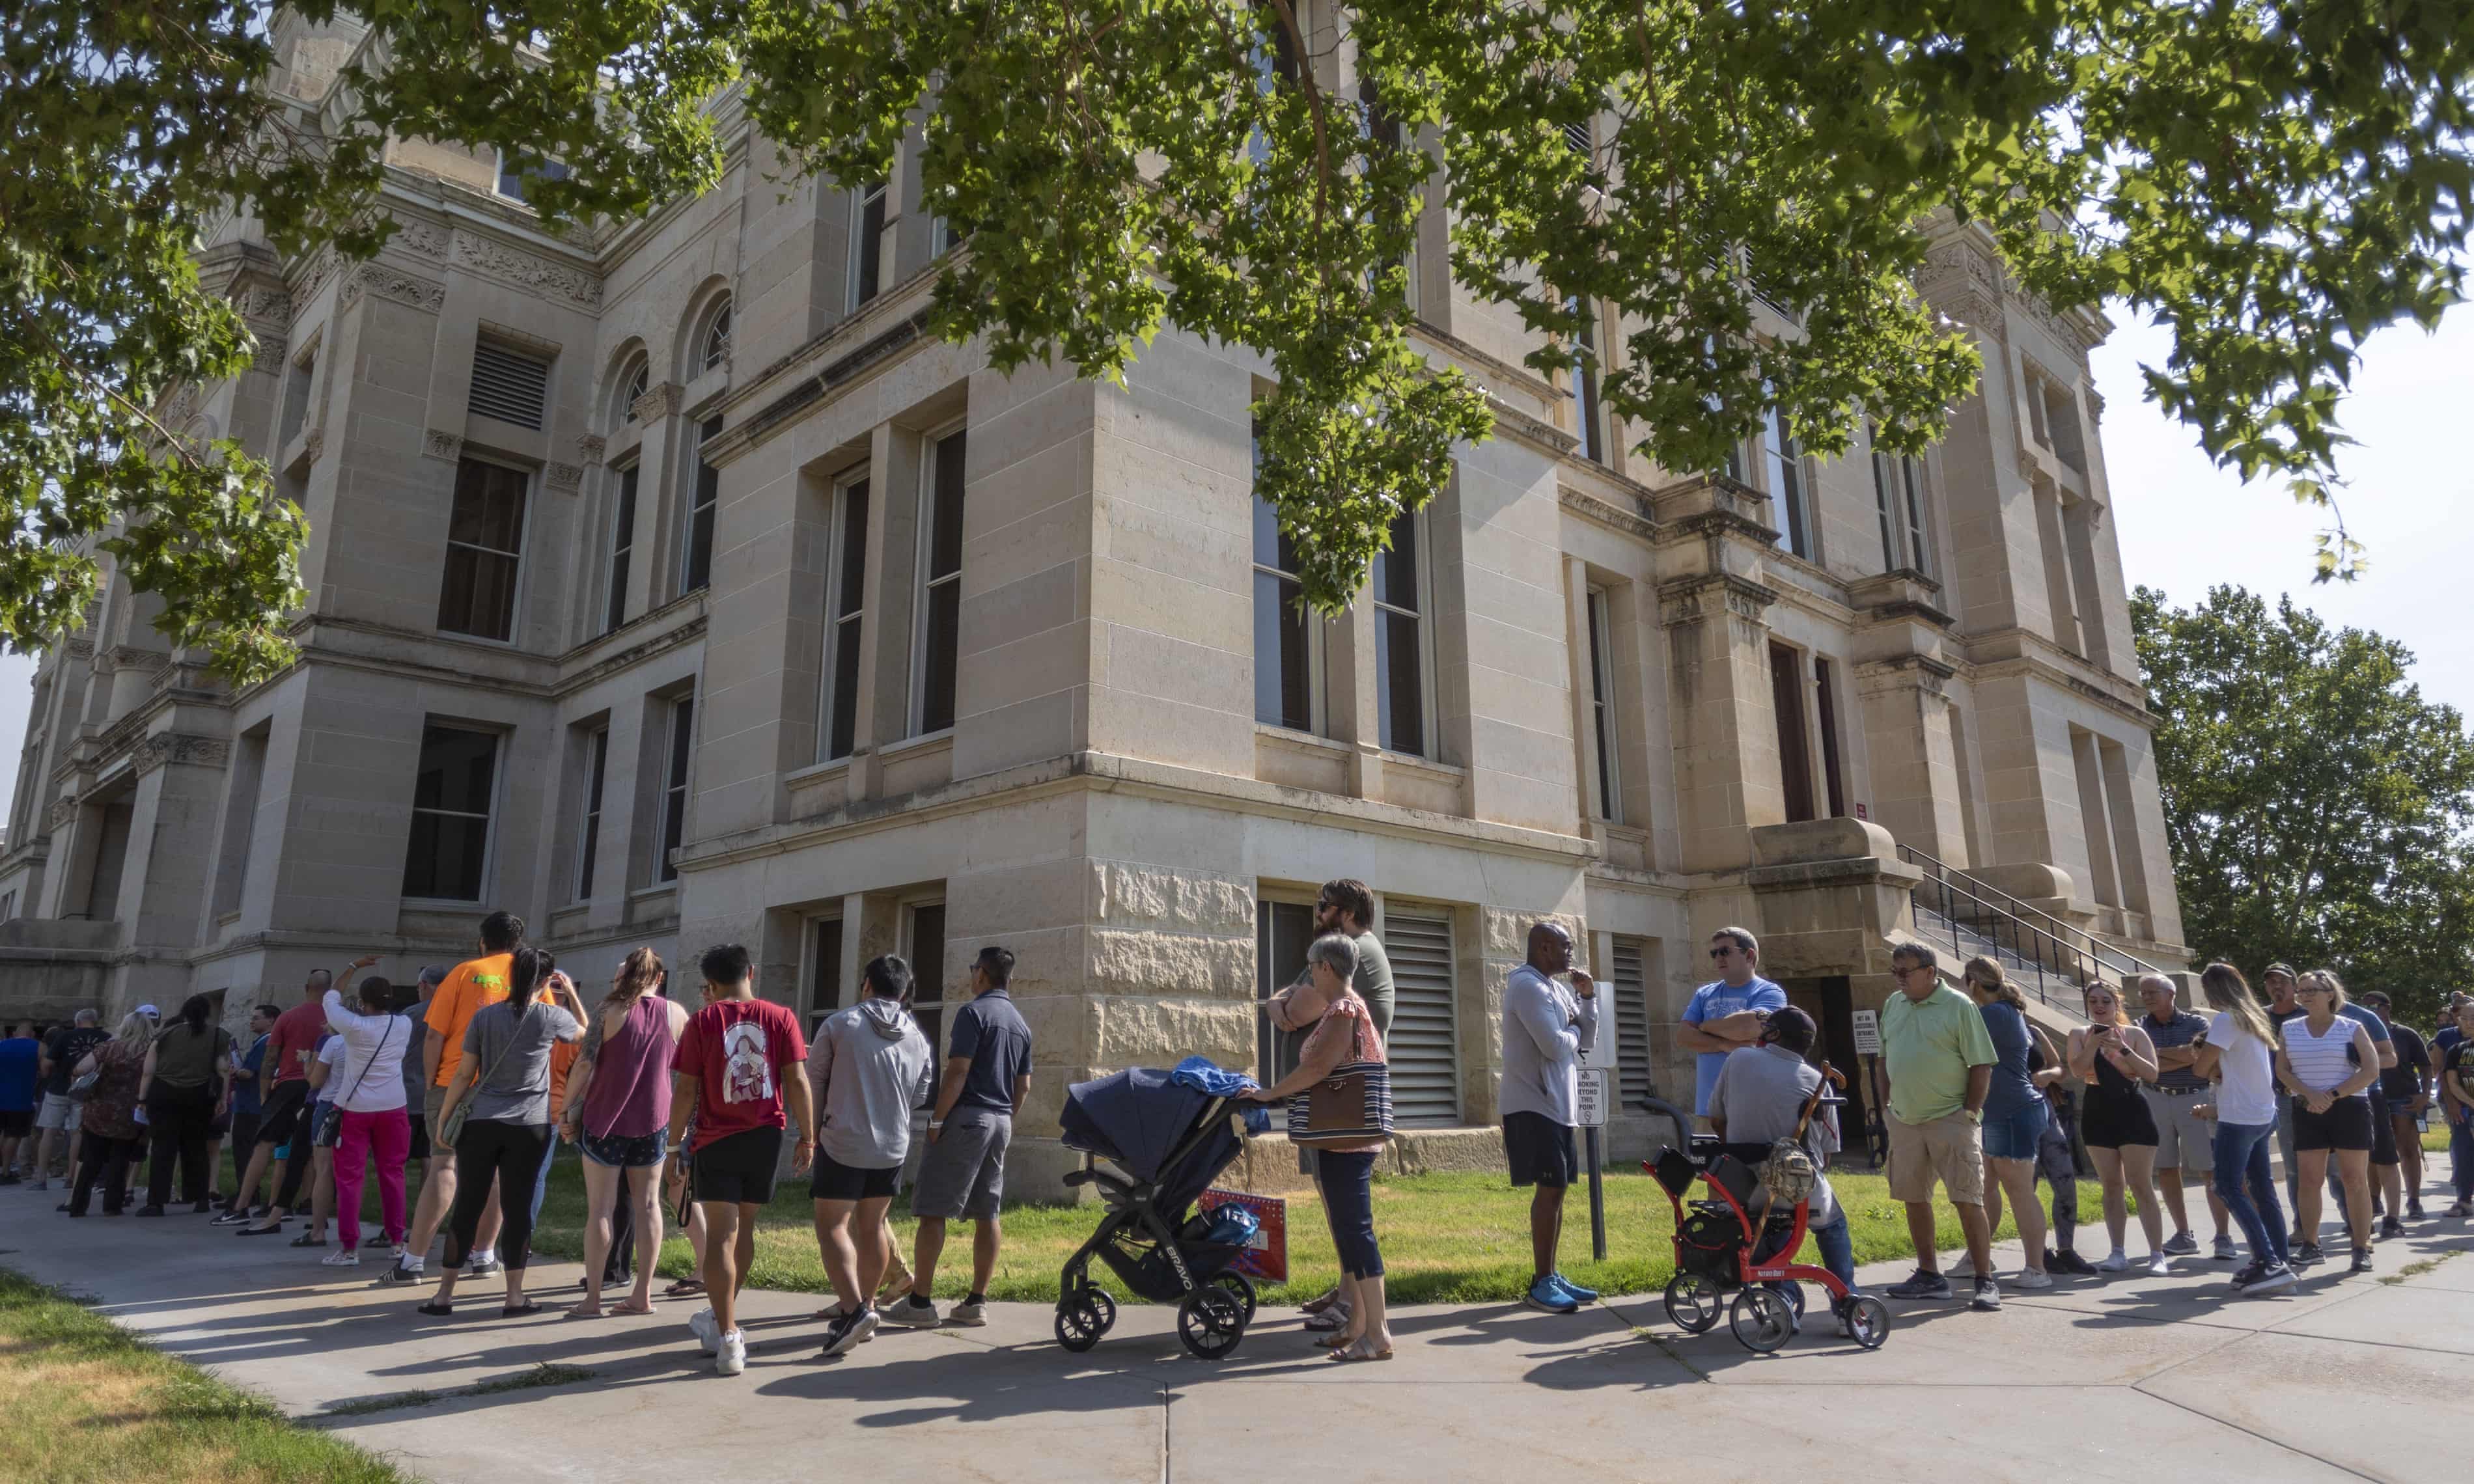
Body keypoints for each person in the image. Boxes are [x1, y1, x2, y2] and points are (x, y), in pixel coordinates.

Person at [1242, 932, 1395, 1361]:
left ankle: (1378, 1335)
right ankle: (1358, 1326)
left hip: (1349, 1141)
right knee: (1350, 1231)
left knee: (1357, 1231)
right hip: (1340, 1138)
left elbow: (1317, 1069)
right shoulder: (1340, 1009)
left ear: (1327, 967)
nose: (1309, 973)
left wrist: (1269, 1095)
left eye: (1312, 966)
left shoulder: (1344, 1008)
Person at [669, 943, 813, 1375]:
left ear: (710, 986)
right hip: (765, 1136)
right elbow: (798, 1080)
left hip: (716, 1139)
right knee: (744, 1229)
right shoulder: (781, 1017)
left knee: (720, 1237)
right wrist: (808, 1138)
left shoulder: (702, 1021)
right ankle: (721, 1317)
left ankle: (728, 1335)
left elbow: (686, 1090)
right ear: (751, 971)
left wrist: (673, 1143)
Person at [419, 948, 586, 1317]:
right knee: (517, 1206)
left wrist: (446, 1120)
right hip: (529, 1124)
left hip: (480, 1122)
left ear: (510, 976)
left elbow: (464, 1074)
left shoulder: (485, 1016)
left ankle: (444, 1295)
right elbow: (587, 1039)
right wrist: (570, 994)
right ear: (547, 981)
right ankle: (514, 1296)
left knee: (467, 1204)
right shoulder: (552, 1016)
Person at [888, 945, 1035, 1330]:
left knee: (933, 1209)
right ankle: (976, 1302)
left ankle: (920, 1302)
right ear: (1011, 979)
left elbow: (958, 1071)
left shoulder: (973, 1013)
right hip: (1001, 1119)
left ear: (981, 975)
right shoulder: (1020, 1023)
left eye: (973, 970)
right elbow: (1025, 1086)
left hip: (968, 1117)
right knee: (988, 1212)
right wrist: (1006, 1117)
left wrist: (937, 1121)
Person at [381, 913, 523, 1287]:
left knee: (444, 1166)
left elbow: (434, 1035)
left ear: (483, 941)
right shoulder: (529, 978)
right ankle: (484, 1256)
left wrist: (431, 1082)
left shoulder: (463, 973)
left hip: (452, 1083)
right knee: (494, 1173)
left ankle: (412, 1263)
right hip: (505, 1089)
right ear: (518, 942)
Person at [807, 953, 934, 1356]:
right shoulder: (917, 1036)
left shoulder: (841, 1024)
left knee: (832, 1227)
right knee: (873, 1226)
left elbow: (814, 1082)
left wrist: (810, 1135)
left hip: (842, 1140)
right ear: (904, 992)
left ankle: (854, 1309)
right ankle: (869, 1307)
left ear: (866, 984)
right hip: (893, 1145)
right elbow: (920, 1093)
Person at [1706, 1005, 1861, 1333]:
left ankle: (1784, 1297)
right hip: (1797, 1185)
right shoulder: (1817, 1080)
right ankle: (1846, 1300)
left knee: (1755, 1228)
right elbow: (1828, 1156)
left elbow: (1717, 1119)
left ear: (1773, 1034)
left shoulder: (1739, 1059)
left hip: (1743, 1186)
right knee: (1832, 1225)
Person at [561, 947, 688, 1318]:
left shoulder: (606, 1011)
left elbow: (585, 1064)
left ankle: (593, 1299)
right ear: (659, 978)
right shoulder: (677, 1013)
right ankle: (643, 1294)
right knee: (649, 1205)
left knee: (600, 1209)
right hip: (655, 1121)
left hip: (605, 1121)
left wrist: (566, 1109)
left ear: (625, 974)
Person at [1879, 942, 2001, 1310]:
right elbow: (1884, 1058)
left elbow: (1981, 1064)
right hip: (1904, 1120)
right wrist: (1887, 1107)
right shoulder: (1893, 1004)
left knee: (1967, 1198)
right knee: (1914, 1198)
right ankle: (1929, 1275)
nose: (1900, 978)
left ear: (1930, 972)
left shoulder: (1960, 1006)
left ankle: (1984, 1280)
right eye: (1895, 971)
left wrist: (1969, 1113)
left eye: (1907, 971)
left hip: (1951, 1118)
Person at [1497, 920, 1599, 1315]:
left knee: (1558, 1190)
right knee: (1549, 1189)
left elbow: (1584, 1040)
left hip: (1559, 1106)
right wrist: (1573, 1028)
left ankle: (1551, 1275)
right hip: (1532, 1105)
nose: (1571, 953)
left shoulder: (1556, 988)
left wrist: (1587, 1000)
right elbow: (1557, 1047)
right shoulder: (1527, 986)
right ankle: (1541, 1282)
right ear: (1544, 947)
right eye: (1565, 945)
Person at [2188, 963, 2295, 1295]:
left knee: (2227, 1186)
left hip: (2239, 1116)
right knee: (2262, 1188)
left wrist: (2211, 1070)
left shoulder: (2226, 1019)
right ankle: (2279, 1260)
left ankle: (2268, 1262)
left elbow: (2200, 1068)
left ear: (2215, 990)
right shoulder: (2254, 1018)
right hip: (2264, 1112)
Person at [1958, 958, 2054, 1289]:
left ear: (1972, 982)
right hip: (1999, 1112)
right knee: (1986, 1187)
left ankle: (2037, 1269)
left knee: (2019, 1191)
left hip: (2013, 1112)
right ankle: (1976, 1256)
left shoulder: (1992, 1013)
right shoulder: (2004, 1011)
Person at [2277, 970, 2379, 1274]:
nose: (2306, 995)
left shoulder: (2352, 1026)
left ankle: (2360, 1247)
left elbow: (2371, 1070)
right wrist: (2310, 1095)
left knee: (2354, 1180)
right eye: (2302, 990)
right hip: (2307, 1108)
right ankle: (2311, 1245)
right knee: (2309, 1180)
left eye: (2313, 990)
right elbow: (2282, 1070)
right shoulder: (2290, 1028)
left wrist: (2331, 1096)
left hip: (2350, 1107)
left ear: (2331, 994)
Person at [2068, 979, 2169, 1274]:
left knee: (2141, 1184)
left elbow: (2151, 1074)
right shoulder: (2079, 1034)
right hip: (2097, 1110)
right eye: (2093, 1001)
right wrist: (2094, 1044)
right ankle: (2117, 1251)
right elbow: (2076, 1070)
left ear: (2117, 1005)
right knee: (2112, 1184)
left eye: (2105, 1001)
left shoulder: (2135, 1034)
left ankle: (2157, 1254)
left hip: (2132, 1109)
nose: (2099, 1007)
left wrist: (2123, 1049)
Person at [2135, 974, 2235, 1261]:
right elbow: (2139, 1065)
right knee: (2166, 1168)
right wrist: (2172, 1058)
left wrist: (2154, 1057)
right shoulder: (2139, 1026)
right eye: (2144, 993)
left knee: (2209, 1170)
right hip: (2154, 1097)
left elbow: (2198, 1056)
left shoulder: (2197, 1024)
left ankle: (2223, 1236)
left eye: (2153, 992)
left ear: (2172, 993)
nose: (2147, 997)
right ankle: (2183, 1234)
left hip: (2196, 1097)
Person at [320, 963, 413, 1268]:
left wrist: (351, 967)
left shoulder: (352, 1025)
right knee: (393, 1174)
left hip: (355, 1109)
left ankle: (349, 1249)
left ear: (362, 1002)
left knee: (349, 1179)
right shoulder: (404, 1025)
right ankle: (398, 1242)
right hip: (394, 1106)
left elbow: (331, 995)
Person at [234, 970, 337, 1235]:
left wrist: (263, 1093)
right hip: (325, 1088)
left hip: (290, 1084)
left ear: (306, 987)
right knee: (314, 1152)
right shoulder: (336, 1018)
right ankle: (309, 1206)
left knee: (265, 1144)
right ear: (330, 990)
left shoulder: (288, 1017)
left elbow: (271, 1059)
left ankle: (241, 1206)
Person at [1678, 927, 1785, 1129]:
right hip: (1709, 1111)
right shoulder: (1705, 994)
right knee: (1709, 1162)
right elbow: (1684, 1037)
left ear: (1749, 955)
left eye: (1725, 951)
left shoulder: (1770, 992)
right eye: (1714, 953)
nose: (1718, 958)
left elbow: (1750, 1028)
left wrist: (1705, 1026)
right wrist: (1727, 1044)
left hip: (1753, 1107)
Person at [137, 993, 232, 1215]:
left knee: (163, 1148)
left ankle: (156, 1202)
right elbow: (223, 1070)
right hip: (200, 1096)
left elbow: (148, 1071)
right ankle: (200, 1198)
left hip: (164, 1094)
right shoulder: (219, 1036)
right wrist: (222, 1098)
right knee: (197, 1147)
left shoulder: (165, 1034)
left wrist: (142, 1098)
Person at [2023, 1033, 2095, 1274]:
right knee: (2025, 1188)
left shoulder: (2031, 1029)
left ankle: (2066, 1249)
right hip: (2015, 1115)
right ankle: (2038, 1252)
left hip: (2045, 1111)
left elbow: (2059, 1069)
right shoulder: (1989, 1022)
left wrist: (2047, 1075)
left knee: (2065, 1180)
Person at [64, 1013, 150, 1217]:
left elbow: (80, 1069)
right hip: (130, 1112)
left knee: (91, 1161)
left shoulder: (108, 1047)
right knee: (120, 1160)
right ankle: (112, 1205)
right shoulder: (150, 1051)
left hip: (99, 1110)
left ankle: (78, 1206)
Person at [2357, 991, 2430, 1228]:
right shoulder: (2357, 1033)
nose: (2368, 1011)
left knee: (2408, 1150)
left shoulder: (2406, 1034)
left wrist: (2424, 1096)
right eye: (2364, 1006)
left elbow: (2426, 1067)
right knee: (2372, 1152)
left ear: (2387, 1008)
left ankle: (2414, 1201)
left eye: (2374, 1006)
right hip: (2370, 1097)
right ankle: (2374, 1199)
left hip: (2404, 1099)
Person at [213, 1005, 280, 1223]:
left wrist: (235, 1071)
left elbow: (249, 1072)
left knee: (245, 1151)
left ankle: (247, 1194)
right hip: (249, 1104)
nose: (252, 1021)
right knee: (243, 1151)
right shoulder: (264, 1041)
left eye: (256, 1018)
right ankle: (245, 1191)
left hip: (251, 1106)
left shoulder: (265, 1043)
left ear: (271, 1020)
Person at [31, 1008, 107, 1191]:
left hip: (59, 1088)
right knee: (77, 1134)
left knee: (49, 1131)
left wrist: (47, 1076)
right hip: (87, 1092)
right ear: (95, 1021)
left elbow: (47, 1063)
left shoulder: (65, 1037)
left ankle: (41, 1178)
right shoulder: (106, 1038)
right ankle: (72, 1177)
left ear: (77, 1021)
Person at [2439, 999, 2474, 1218]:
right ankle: (2464, 1201)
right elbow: (2452, 1082)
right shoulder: (2456, 1050)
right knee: (2463, 1155)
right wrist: (2470, 1103)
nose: (2470, 1023)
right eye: (2465, 1018)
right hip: (2465, 1111)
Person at [1, 1022, 45, 1182]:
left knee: (3, 1133)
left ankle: (3, 1169)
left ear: (14, 1033)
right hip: (21, 1099)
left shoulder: (2, 1044)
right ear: (32, 1034)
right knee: (13, 1135)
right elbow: (46, 1070)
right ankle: (5, 1172)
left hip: (1, 1096)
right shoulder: (39, 1046)